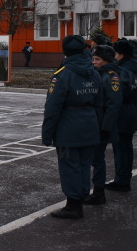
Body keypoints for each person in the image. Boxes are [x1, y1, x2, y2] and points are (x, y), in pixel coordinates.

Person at [41, 35, 103, 220]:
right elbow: (99, 104)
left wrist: (47, 134)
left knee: (69, 166)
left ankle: (73, 205)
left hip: (68, 127)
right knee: (84, 165)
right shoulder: (94, 73)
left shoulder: (63, 74)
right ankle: (80, 197)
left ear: (65, 51)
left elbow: (53, 107)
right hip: (89, 125)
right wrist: (96, 126)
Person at [84, 45, 122, 206]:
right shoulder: (99, 74)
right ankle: (96, 191)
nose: (94, 62)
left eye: (97, 59)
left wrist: (106, 127)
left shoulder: (111, 77)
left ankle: (99, 192)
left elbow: (114, 104)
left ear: (106, 61)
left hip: (102, 126)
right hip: (95, 123)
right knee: (94, 158)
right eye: (93, 59)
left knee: (97, 159)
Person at [106, 39, 137, 192]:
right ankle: (124, 177)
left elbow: (120, 92)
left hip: (123, 111)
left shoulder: (122, 70)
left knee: (121, 148)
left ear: (121, 54)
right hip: (134, 107)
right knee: (126, 147)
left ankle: (122, 180)